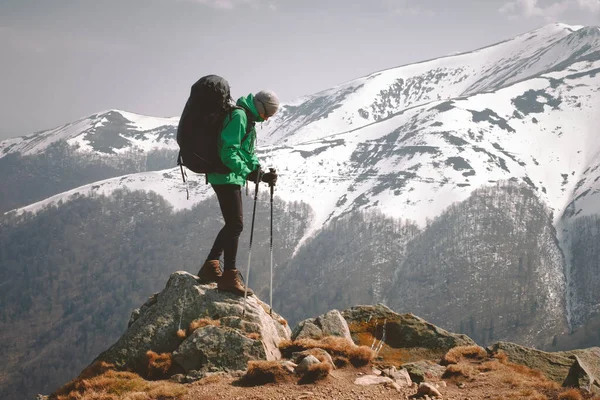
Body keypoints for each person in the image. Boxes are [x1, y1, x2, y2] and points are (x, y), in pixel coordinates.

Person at [196, 90, 279, 296]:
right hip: (224, 175)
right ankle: (229, 277)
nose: (266, 119)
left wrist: (259, 172)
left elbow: (246, 152)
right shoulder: (239, 116)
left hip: (228, 175)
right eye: (267, 114)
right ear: (260, 107)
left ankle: (211, 265)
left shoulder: (247, 119)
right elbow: (228, 151)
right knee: (236, 225)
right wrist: (249, 173)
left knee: (233, 224)